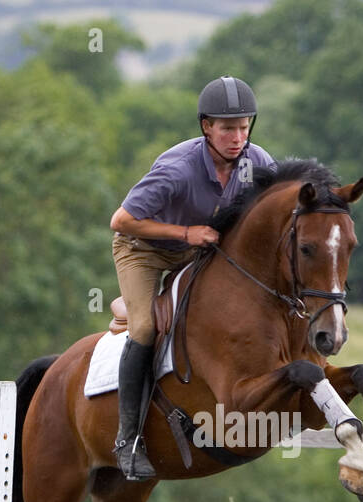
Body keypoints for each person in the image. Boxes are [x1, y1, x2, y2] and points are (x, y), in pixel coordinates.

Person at [108, 75, 277, 480]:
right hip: (143, 249)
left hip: (198, 250)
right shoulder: (177, 170)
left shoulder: (258, 164)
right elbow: (123, 220)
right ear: (206, 127)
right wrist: (186, 233)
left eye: (243, 126)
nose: (238, 137)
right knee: (146, 328)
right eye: (227, 128)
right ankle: (127, 440)